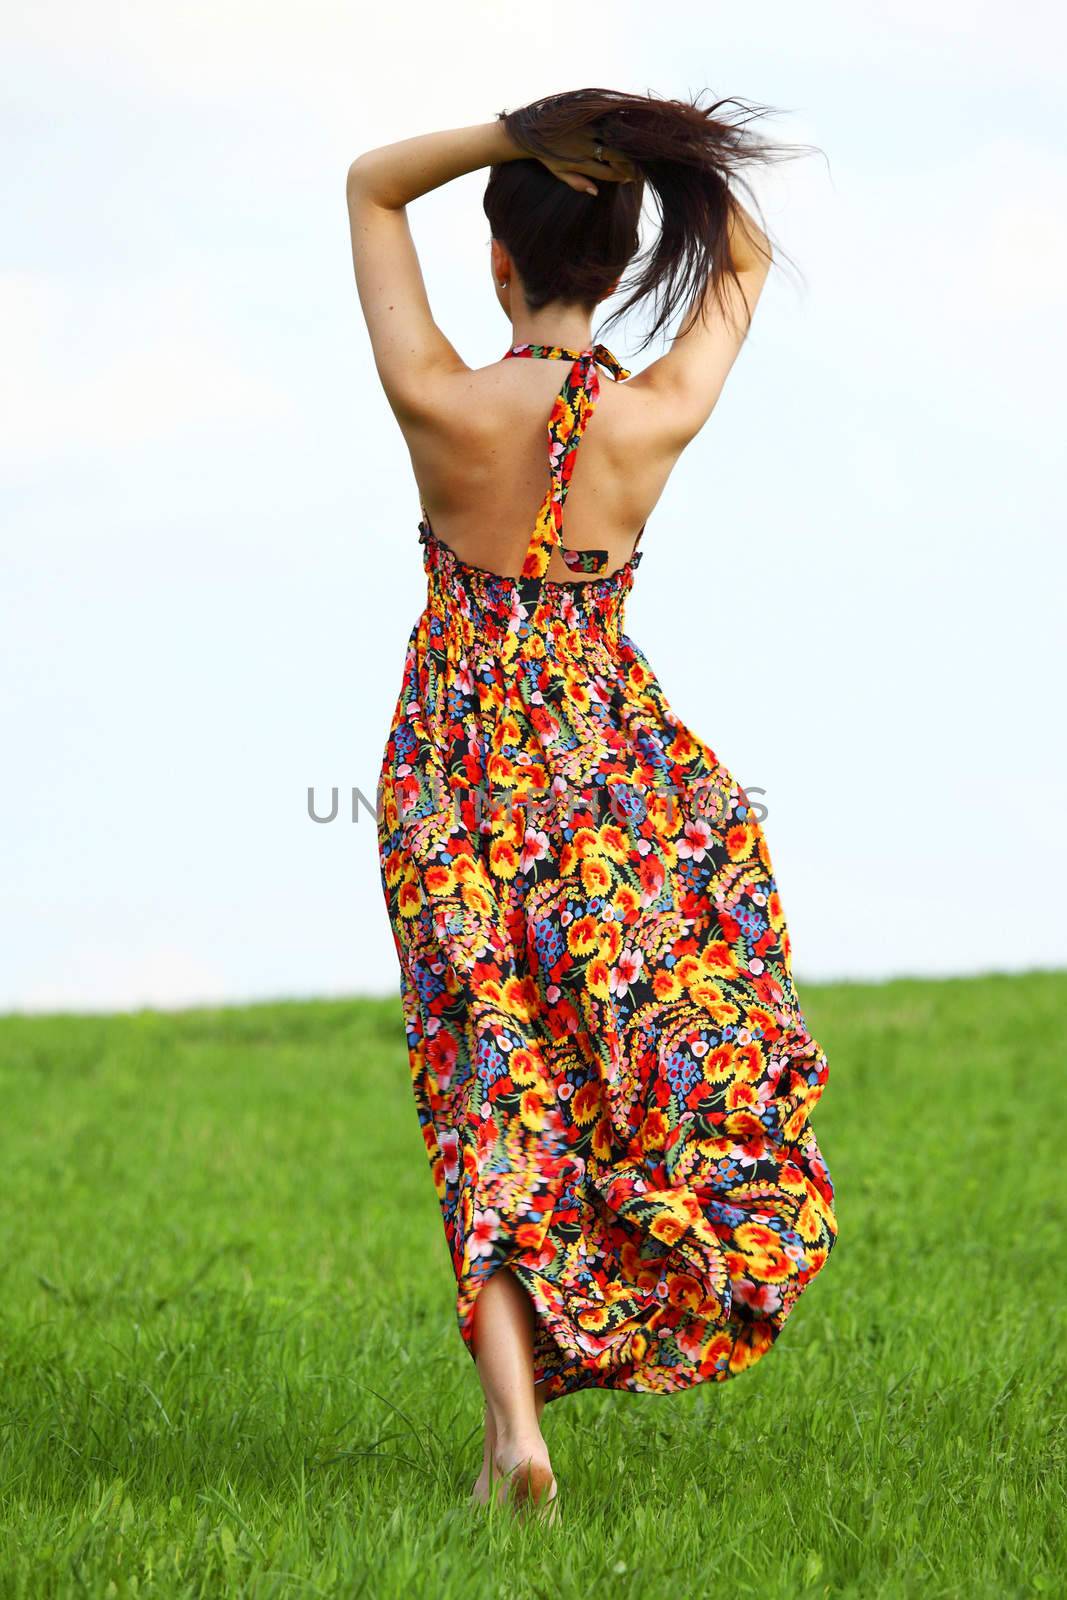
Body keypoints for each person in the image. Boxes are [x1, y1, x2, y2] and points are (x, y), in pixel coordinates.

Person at [346, 87, 838, 1522]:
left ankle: (516, 1435)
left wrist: (516, 136)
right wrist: (661, 160)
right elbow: (741, 258)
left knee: (481, 1079)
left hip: (449, 768)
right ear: (618, 264)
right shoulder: (654, 416)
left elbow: (373, 185)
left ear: (498, 258)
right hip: (600, 773)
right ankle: (615, 1298)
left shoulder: (438, 398)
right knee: (626, 1056)